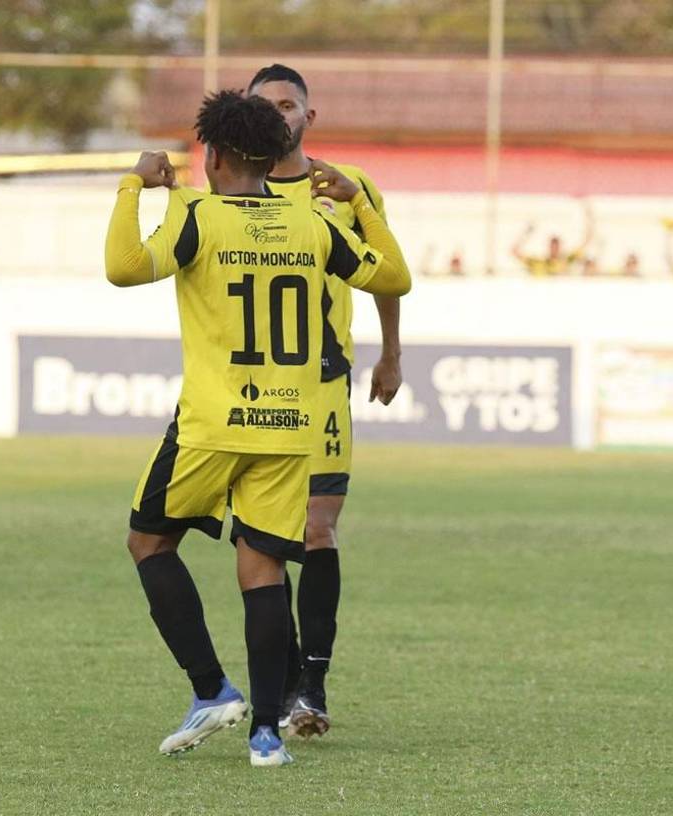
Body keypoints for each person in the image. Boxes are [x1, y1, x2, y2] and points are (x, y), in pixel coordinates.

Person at [105, 91, 410, 767]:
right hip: (287, 429)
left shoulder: (195, 214)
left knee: (149, 543)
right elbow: (396, 276)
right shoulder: (313, 223)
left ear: (210, 158)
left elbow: (123, 268)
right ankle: (267, 734)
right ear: (273, 160)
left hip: (212, 425)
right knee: (263, 568)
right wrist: (357, 203)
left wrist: (134, 185)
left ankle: (211, 688)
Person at [248, 63, 406, 738]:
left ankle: (311, 688)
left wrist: (391, 351)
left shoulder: (348, 187)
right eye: (265, 106)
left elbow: (387, 272)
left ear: (308, 117)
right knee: (264, 545)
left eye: (288, 105)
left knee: (317, 528)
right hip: (250, 396)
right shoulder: (229, 187)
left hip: (322, 384)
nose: (278, 114)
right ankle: (283, 685)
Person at [511, 202, 594, 276]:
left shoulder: (567, 260)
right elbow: (515, 251)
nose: (555, 249)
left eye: (556, 246)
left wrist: (588, 215)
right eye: (553, 246)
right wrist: (526, 233)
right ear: (549, 246)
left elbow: (587, 240)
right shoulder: (539, 263)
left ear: (560, 246)